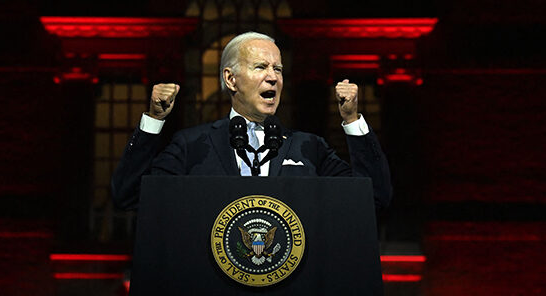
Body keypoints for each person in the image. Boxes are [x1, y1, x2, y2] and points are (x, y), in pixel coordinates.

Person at [111, 31, 392, 210]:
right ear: (231, 79)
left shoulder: (309, 148)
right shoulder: (192, 145)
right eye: (261, 67)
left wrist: (352, 121)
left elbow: (374, 198)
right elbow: (129, 195)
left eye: (278, 69)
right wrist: (154, 120)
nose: (273, 77)